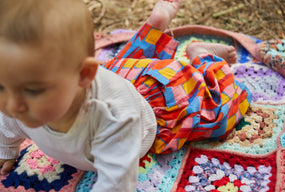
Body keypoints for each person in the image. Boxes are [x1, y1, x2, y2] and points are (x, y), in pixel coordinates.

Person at [0, 0, 251, 191]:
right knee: (125, 63)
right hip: (122, 76)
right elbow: (7, 125)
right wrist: (5, 151)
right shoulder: (19, 96)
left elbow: (116, 182)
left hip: (160, 102)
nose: (12, 105)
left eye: (33, 90)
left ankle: (202, 57)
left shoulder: (115, 120)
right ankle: (155, 29)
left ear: (84, 75)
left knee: (218, 110)